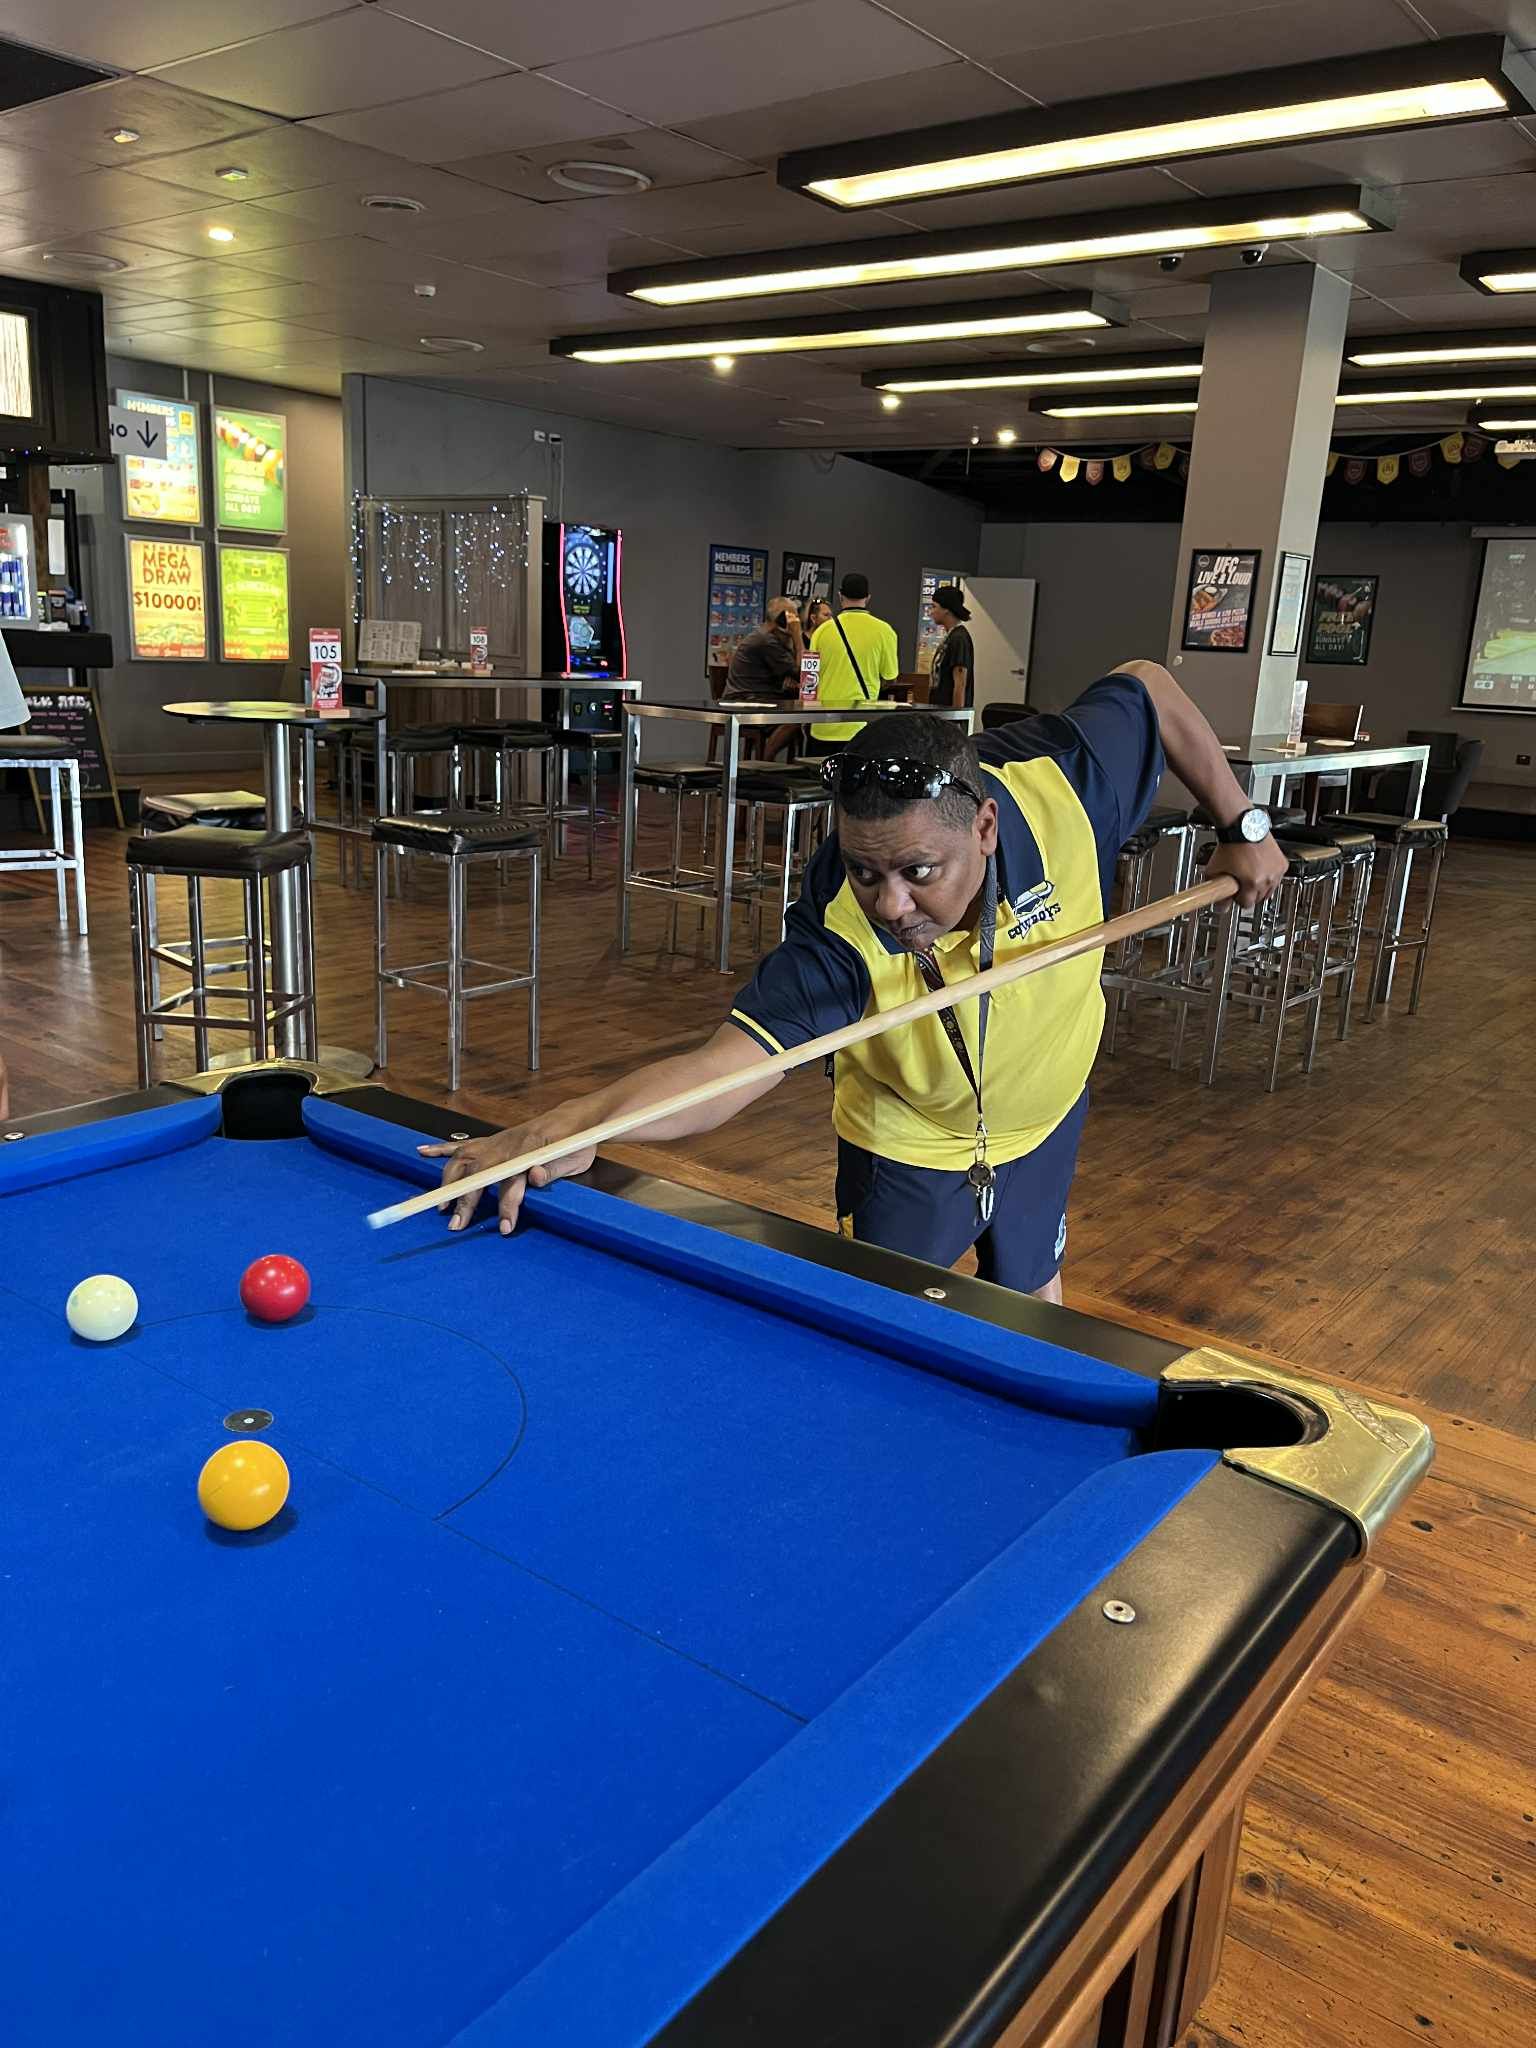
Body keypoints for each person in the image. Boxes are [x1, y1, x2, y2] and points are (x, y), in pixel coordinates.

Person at [426, 659, 1288, 1303]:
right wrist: (581, 1124)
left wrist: (1241, 819)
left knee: (1037, 1303)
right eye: (867, 871)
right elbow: (735, 1063)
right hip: (906, 1145)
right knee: (884, 1327)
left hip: (1046, 1117)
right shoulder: (839, 926)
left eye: (918, 870)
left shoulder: (1064, 785)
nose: (893, 903)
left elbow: (1147, 685)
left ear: (985, 827)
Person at [806, 571, 898, 752]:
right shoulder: (885, 631)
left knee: (819, 778)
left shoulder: (822, 631)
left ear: (840, 596)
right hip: (861, 727)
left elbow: (809, 681)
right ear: (868, 597)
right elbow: (890, 677)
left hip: (823, 725)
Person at [721, 596, 802, 703]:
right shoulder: (766, 641)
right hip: (749, 699)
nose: (797, 623)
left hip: (751, 695)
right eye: (794, 618)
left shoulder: (763, 635)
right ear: (782, 619)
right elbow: (803, 675)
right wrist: (797, 636)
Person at [927, 584, 974, 709]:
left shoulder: (958, 639)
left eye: (934, 607)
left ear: (946, 609)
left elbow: (960, 683)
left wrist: (956, 716)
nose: (931, 612)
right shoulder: (950, 636)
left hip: (948, 712)